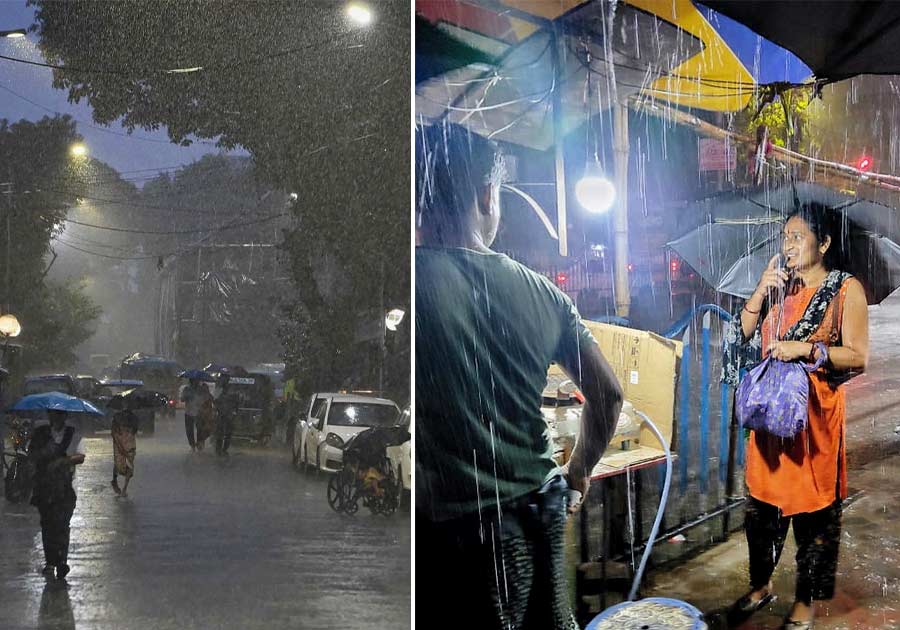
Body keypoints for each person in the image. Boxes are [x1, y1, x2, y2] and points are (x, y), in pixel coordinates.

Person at [415, 121, 623, 630]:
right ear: (488, 195)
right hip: (538, 507)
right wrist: (578, 473)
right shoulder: (542, 293)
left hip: (456, 526)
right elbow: (609, 395)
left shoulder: (412, 284)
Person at [722, 203, 869, 630]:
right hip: (770, 425)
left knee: (812, 519)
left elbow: (858, 356)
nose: (788, 245)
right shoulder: (779, 289)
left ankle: (805, 601)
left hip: (813, 426)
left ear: (823, 244)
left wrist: (806, 349)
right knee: (760, 514)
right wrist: (759, 292)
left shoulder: (845, 289)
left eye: (798, 236)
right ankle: (760, 585)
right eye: (785, 237)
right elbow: (741, 340)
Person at [28, 410, 86, 580]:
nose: (57, 418)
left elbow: (80, 456)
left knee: (62, 525)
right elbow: (32, 455)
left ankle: (62, 561)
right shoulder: (40, 434)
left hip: (64, 488)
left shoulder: (72, 435)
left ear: (65, 417)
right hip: (44, 488)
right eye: (53, 414)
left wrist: (63, 461)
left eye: (60, 414)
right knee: (47, 525)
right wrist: (45, 454)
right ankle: (50, 562)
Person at [110, 409, 139, 497]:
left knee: (130, 466)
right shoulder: (117, 417)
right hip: (119, 442)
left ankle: (124, 488)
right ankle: (114, 480)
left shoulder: (133, 418)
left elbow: (135, 430)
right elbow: (113, 431)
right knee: (118, 464)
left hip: (129, 444)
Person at [181, 378, 212, 451]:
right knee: (190, 430)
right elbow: (182, 399)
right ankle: (193, 445)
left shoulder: (202, 389)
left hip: (199, 412)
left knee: (199, 429)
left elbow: (207, 398)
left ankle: (198, 444)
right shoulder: (187, 389)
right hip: (190, 412)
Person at [213, 375, 239, 456]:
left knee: (225, 433)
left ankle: (221, 449)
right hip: (225, 416)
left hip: (226, 416)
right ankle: (221, 449)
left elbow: (236, 405)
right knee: (224, 433)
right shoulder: (227, 395)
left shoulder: (231, 395)